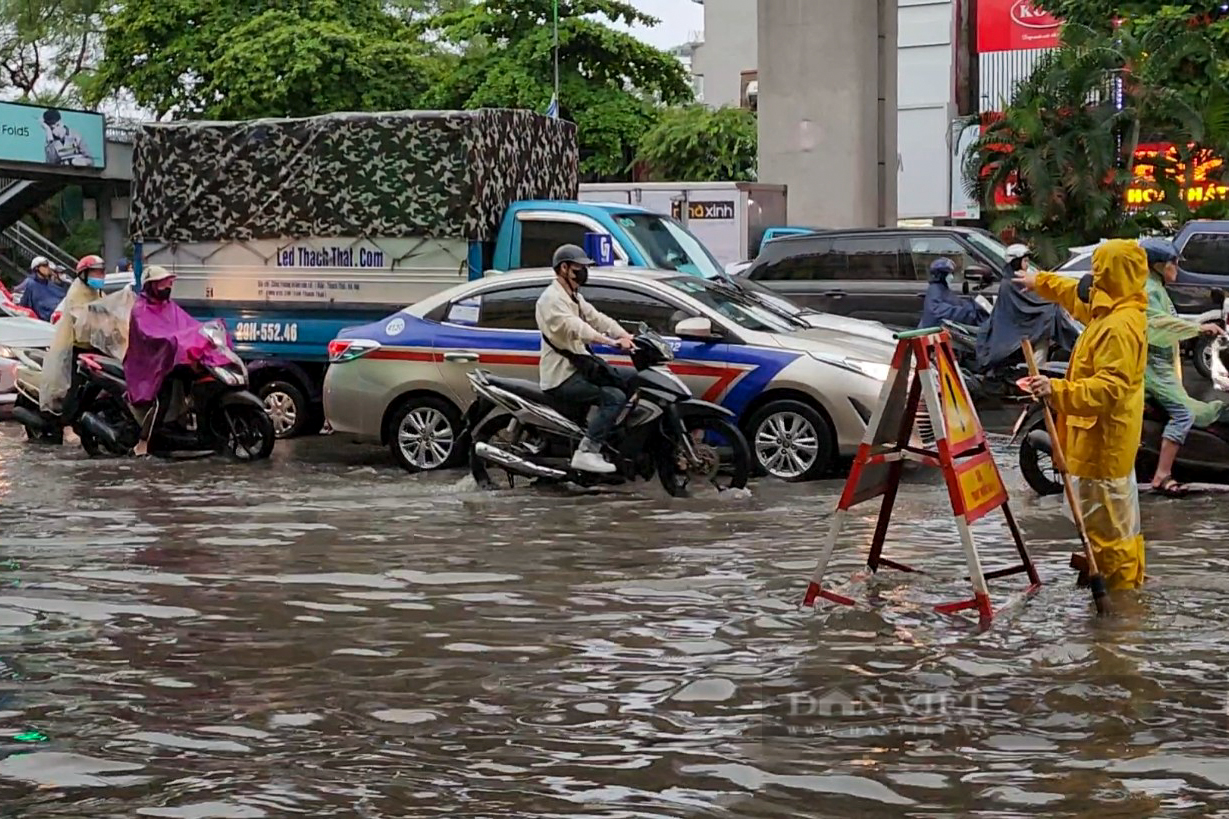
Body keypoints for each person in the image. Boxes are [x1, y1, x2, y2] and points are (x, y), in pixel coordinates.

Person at [1014, 239, 1149, 592]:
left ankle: (1118, 610)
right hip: (1105, 445)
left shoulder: (1118, 328)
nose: (1093, 277)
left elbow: (1109, 389)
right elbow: (1077, 297)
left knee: (1108, 537)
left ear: (1109, 275)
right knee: (1118, 528)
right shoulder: (1114, 312)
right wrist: (1040, 282)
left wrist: (1055, 390)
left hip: (1102, 449)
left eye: (1099, 269)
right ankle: (1126, 591)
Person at [1138, 237, 1229, 496]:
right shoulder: (1148, 290)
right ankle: (1162, 474)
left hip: (1163, 365)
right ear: (1157, 265)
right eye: (1173, 263)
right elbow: (1155, 325)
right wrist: (1197, 328)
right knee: (1184, 413)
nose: (1176, 268)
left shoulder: (1157, 286)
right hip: (1152, 368)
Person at [536, 244, 635, 474]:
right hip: (562, 376)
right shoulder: (551, 300)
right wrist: (611, 343)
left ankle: (611, 439)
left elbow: (597, 318)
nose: (584, 272)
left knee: (632, 379)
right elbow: (578, 328)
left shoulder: (573, 296)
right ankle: (587, 451)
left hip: (580, 367)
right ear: (564, 268)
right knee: (614, 397)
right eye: (579, 267)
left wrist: (624, 335)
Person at [124, 265, 230, 457]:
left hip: (170, 360)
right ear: (151, 286)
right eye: (163, 284)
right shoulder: (141, 310)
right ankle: (144, 442)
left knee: (199, 378)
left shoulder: (169, 306)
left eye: (169, 283)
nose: (168, 287)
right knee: (161, 400)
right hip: (150, 365)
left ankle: (187, 426)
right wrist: (176, 341)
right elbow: (154, 336)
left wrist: (205, 334)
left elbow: (188, 324)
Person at [39, 254, 129, 418]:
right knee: (74, 386)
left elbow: (108, 311)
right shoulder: (77, 293)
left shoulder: (96, 292)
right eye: (95, 273)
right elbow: (82, 320)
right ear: (84, 274)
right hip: (75, 347)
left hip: (94, 347)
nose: (99, 276)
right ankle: (66, 425)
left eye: (101, 273)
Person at [975, 242, 1079, 372]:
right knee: (1044, 332)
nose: (1027, 264)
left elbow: (1036, 301)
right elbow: (1025, 307)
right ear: (1016, 262)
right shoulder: (1011, 283)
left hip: (1027, 325)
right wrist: (1052, 306)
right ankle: (1034, 374)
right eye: (1025, 261)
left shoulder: (1021, 279)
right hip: (1019, 328)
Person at [918, 257, 985, 330]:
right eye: (948, 274)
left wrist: (973, 306)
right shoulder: (935, 290)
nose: (951, 277)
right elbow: (938, 311)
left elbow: (956, 302)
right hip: (935, 333)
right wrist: (966, 313)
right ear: (941, 275)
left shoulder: (943, 289)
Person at [17, 256, 67, 321]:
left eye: (48, 265)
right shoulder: (31, 283)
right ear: (37, 268)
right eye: (44, 265)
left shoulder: (50, 284)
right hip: (45, 319)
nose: (48, 268)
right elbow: (24, 303)